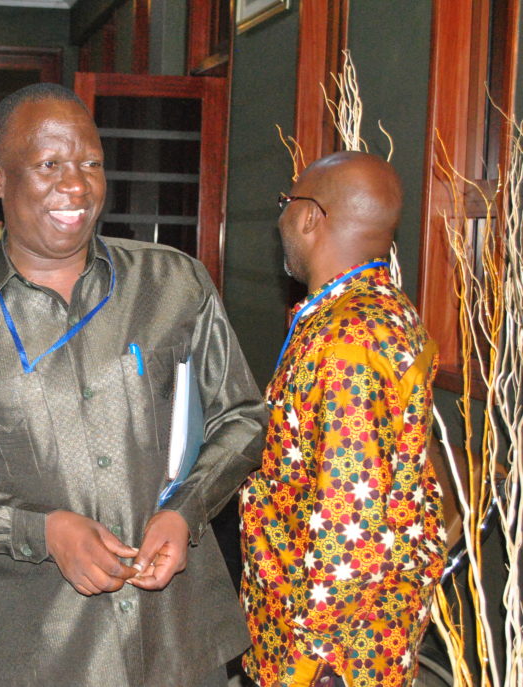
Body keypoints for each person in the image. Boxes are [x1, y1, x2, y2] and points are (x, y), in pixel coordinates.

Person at [0, 82, 266, 687]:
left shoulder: (174, 284)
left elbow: (241, 417)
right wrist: (40, 530)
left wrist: (185, 511)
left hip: (179, 641)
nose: (77, 186)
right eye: (49, 165)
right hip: (44, 648)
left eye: (91, 163)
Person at [240, 151, 446, 687]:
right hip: (359, 622)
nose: (282, 218)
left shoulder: (346, 342)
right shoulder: (386, 309)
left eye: (286, 203)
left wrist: (315, 661)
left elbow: (350, 511)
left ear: (310, 216)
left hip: (329, 645)